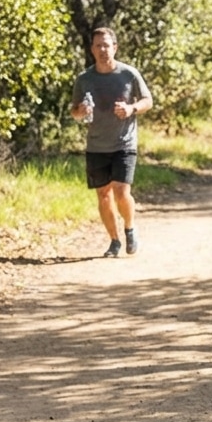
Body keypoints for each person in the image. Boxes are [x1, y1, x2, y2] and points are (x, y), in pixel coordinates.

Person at [69, 27, 153, 257]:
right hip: (96, 145)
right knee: (103, 195)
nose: (103, 50)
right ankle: (114, 241)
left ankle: (130, 227)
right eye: (98, 46)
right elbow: (74, 111)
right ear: (92, 50)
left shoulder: (128, 74)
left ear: (115, 48)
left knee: (121, 191)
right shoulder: (84, 79)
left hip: (124, 143)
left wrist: (131, 108)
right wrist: (81, 110)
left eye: (107, 45)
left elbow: (148, 101)